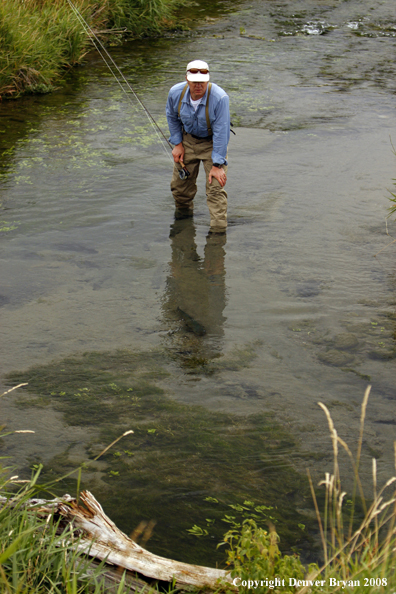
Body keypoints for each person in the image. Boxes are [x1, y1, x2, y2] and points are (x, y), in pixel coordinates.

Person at [166, 60, 230, 233]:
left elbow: (222, 133)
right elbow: (171, 116)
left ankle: (217, 237)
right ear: (187, 79)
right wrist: (177, 143)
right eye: (195, 82)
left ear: (208, 80)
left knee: (215, 191)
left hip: (213, 145)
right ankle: (183, 223)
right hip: (186, 141)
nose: (198, 86)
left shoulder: (220, 98)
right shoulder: (175, 93)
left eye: (202, 82)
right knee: (180, 188)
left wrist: (217, 165)